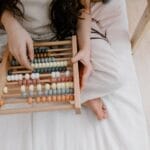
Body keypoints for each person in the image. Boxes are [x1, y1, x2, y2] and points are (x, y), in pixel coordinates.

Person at [0, 0, 149, 150]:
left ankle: (73, 90)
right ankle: (76, 91)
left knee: (113, 75)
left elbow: (82, 10)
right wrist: (11, 26)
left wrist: (84, 48)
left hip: (64, 29)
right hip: (17, 33)